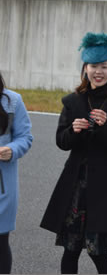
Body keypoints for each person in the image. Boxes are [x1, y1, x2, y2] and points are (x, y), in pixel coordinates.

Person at [40, 33, 107, 274]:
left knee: (98, 251)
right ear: (85, 69)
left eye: (104, 66)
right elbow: (61, 142)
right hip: (76, 184)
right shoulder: (73, 101)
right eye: (94, 66)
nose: (99, 71)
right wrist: (74, 130)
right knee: (71, 249)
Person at [0, 72, 33, 274]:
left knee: (1, 243)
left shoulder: (12, 101)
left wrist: (12, 150)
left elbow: (25, 137)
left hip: (3, 187)